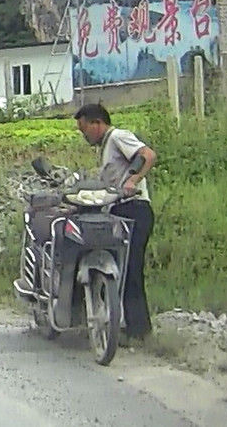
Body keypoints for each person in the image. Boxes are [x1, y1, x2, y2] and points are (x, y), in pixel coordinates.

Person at [73, 102, 156, 339]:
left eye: (84, 129)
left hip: (135, 210)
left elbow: (147, 155)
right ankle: (123, 324)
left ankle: (139, 331)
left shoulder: (118, 137)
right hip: (119, 212)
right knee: (121, 268)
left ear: (97, 123)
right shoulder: (107, 147)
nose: (84, 136)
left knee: (131, 269)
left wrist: (133, 179)